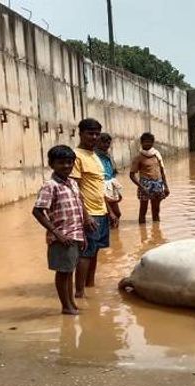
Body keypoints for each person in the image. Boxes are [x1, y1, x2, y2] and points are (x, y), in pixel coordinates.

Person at [32, 145, 89, 316]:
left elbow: (79, 208)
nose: (66, 166)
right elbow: (37, 211)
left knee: (69, 271)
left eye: (69, 162)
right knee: (63, 273)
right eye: (61, 163)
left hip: (75, 235)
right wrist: (57, 233)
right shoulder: (50, 186)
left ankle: (71, 303)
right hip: (62, 238)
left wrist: (83, 235)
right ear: (51, 164)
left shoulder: (72, 183)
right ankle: (66, 306)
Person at [71, 118, 111, 296]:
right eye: (90, 133)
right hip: (88, 213)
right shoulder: (76, 156)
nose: (94, 137)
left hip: (100, 211)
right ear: (80, 133)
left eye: (96, 134)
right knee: (86, 253)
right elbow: (74, 188)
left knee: (95, 252)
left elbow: (99, 186)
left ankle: (90, 286)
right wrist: (85, 216)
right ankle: (80, 293)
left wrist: (109, 211)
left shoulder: (95, 155)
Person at [130, 132, 170, 224]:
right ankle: (143, 235)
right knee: (143, 211)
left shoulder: (156, 155)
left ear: (153, 143)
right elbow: (132, 175)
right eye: (145, 142)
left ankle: (156, 232)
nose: (147, 144)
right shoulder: (138, 158)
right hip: (145, 185)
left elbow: (162, 171)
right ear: (141, 143)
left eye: (150, 142)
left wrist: (166, 187)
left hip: (158, 184)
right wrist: (141, 187)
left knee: (156, 210)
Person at [95, 133, 123, 228]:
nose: (106, 145)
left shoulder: (108, 155)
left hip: (110, 185)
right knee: (111, 214)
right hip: (101, 186)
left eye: (108, 142)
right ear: (97, 142)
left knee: (117, 214)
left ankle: (114, 236)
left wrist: (117, 192)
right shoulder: (95, 156)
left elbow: (112, 174)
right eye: (104, 142)